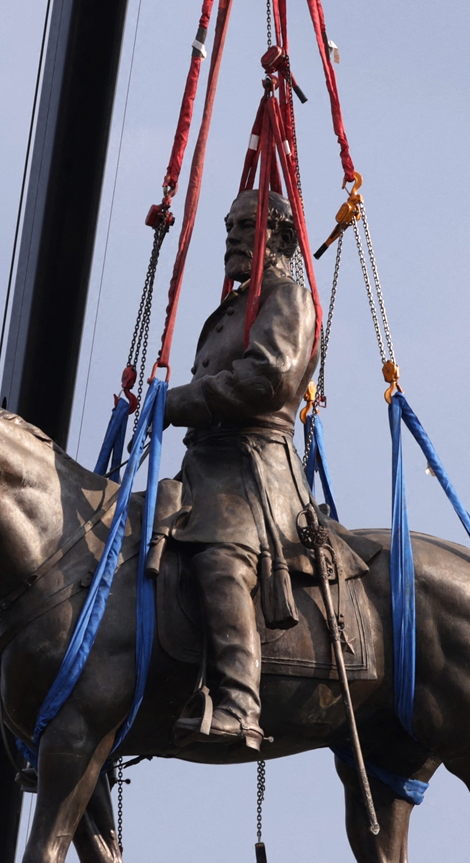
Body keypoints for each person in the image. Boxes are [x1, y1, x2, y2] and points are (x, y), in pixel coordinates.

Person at [164, 190, 320, 751]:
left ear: (278, 236)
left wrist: (173, 404)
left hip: (252, 470)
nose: (231, 235)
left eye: (246, 225)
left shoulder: (288, 298)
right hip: (202, 466)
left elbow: (266, 379)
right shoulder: (229, 311)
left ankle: (238, 703)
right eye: (229, 226)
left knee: (220, 560)